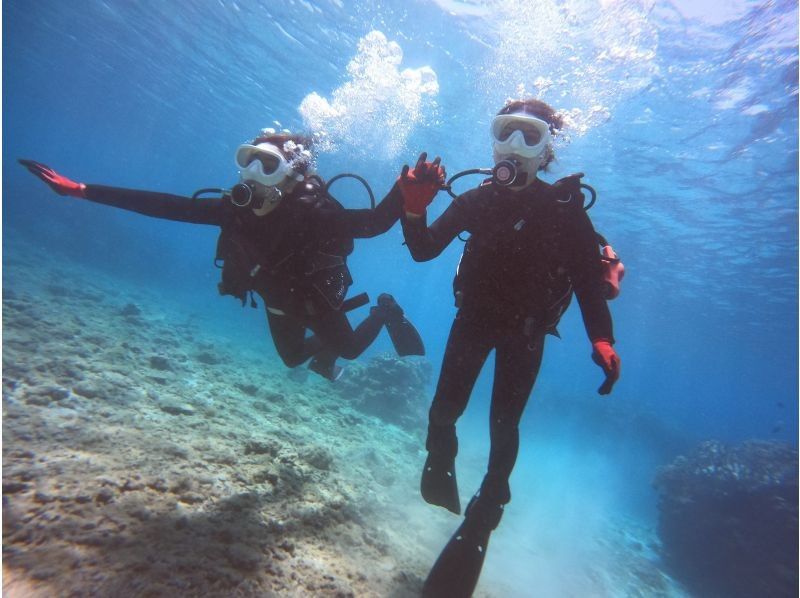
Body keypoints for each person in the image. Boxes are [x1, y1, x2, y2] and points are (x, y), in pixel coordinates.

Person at [395, 99, 622, 596]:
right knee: (442, 412)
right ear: (493, 141)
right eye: (506, 134)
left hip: (527, 333)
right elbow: (424, 249)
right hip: (472, 320)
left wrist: (602, 339)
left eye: (531, 138)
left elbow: (587, 281)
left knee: (504, 423)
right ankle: (441, 452)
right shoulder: (477, 200)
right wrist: (414, 210)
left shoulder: (565, 212)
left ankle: (489, 504)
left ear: (547, 153)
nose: (515, 149)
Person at [20, 130, 435, 381]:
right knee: (292, 359)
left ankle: (382, 311)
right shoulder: (232, 209)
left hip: (314, 298)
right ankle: (323, 351)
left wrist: (404, 195)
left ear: (291, 174)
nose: (252, 175)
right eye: (247, 162)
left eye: (266, 165)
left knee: (345, 349)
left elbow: (374, 224)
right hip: (277, 300)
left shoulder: (317, 213)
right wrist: (82, 190)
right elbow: (165, 205)